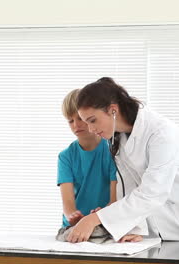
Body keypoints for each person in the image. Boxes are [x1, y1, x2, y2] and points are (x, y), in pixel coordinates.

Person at [67, 77, 179, 243]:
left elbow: (153, 192)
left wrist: (96, 219)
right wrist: (133, 228)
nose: (90, 129)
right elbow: (129, 189)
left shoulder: (162, 133)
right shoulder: (119, 139)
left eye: (92, 120)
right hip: (164, 229)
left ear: (113, 110)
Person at [55, 88, 119, 242]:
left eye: (80, 118)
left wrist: (99, 216)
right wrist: (73, 216)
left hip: (103, 222)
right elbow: (68, 204)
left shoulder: (112, 150)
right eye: (70, 121)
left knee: (98, 235)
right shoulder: (65, 156)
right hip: (72, 226)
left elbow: (114, 200)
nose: (76, 125)